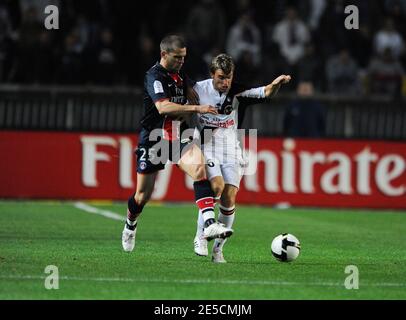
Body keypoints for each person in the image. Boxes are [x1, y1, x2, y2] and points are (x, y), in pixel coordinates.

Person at [122, 35, 234, 253]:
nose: (182, 62)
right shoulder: (154, 76)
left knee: (199, 167)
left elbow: (194, 91)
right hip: (154, 139)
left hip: (179, 136)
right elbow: (163, 108)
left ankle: (209, 225)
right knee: (142, 195)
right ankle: (130, 224)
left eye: (184, 57)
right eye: (177, 57)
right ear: (164, 54)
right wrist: (197, 109)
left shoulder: (181, 75)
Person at [192, 53, 291, 263]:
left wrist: (276, 84)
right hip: (206, 146)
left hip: (231, 148)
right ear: (212, 75)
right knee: (216, 187)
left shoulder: (238, 92)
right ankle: (201, 235)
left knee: (229, 198)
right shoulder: (198, 90)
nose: (225, 82)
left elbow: (265, 92)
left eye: (228, 77)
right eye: (220, 77)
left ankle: (218, 250)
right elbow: (178, 106)